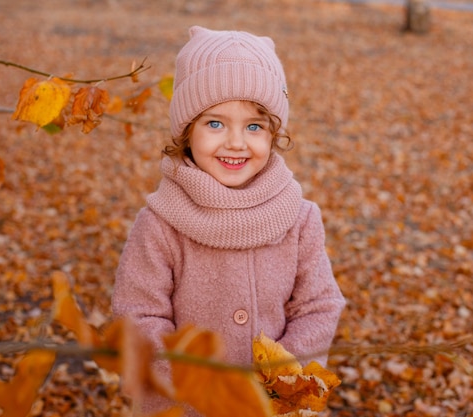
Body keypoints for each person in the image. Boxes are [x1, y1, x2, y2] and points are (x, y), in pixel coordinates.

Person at [112, 25, 346, 415]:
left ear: (274, 134)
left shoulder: (298, 217)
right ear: (187, 132)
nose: (236, 142)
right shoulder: (160, 223)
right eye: (215, 123)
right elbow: (138, 314)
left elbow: (319, 306)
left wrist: (279, 378)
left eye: (254, 126)